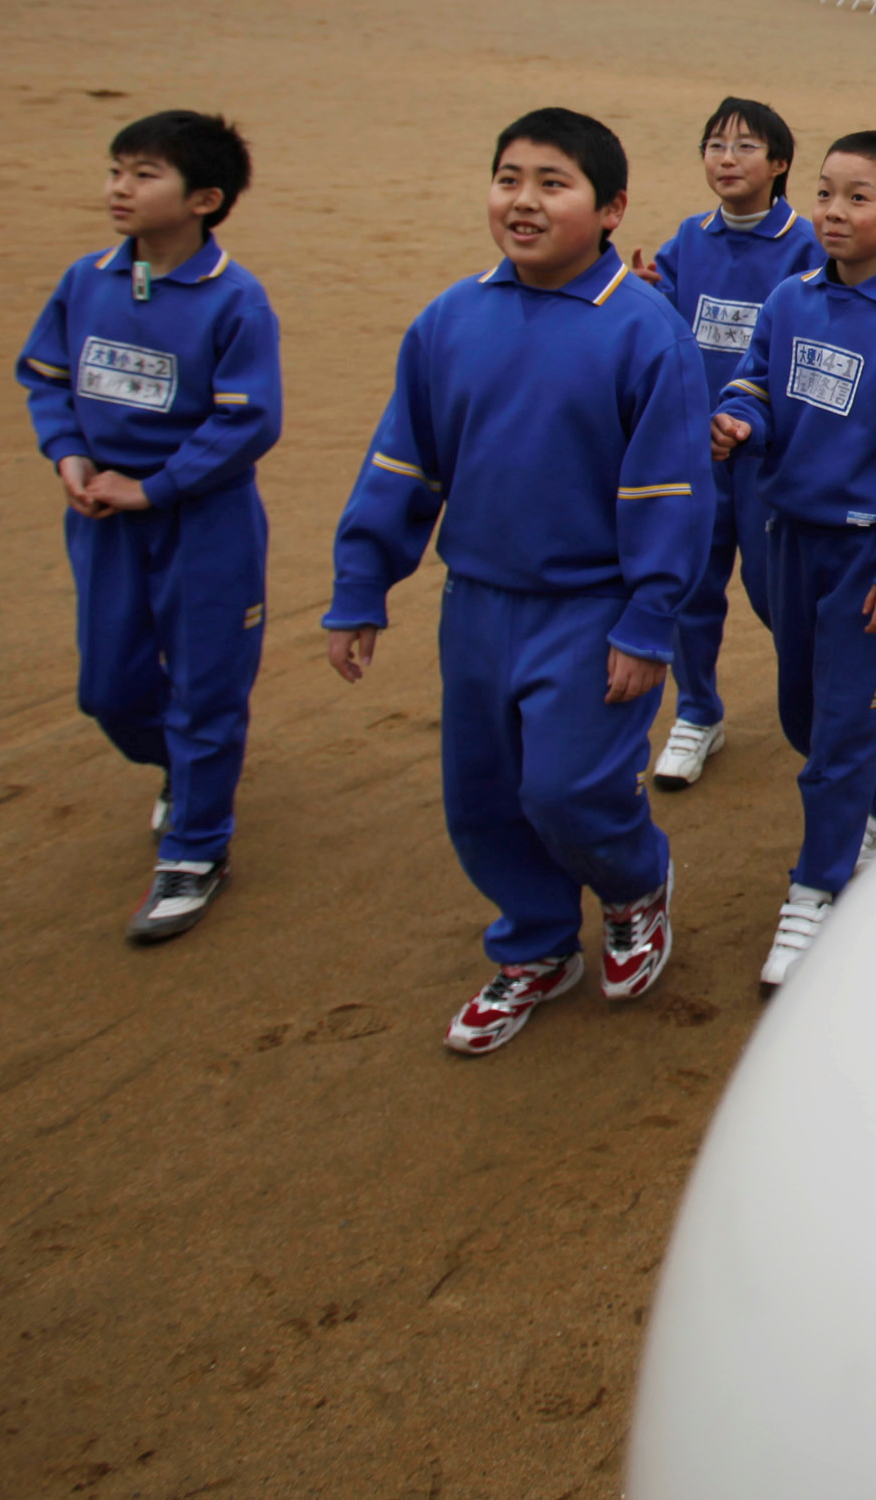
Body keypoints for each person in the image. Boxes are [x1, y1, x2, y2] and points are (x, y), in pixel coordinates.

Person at [323, 109, 713, 1055]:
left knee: (570, 790)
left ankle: (633, 888)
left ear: (611, 207)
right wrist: (362, 582)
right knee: (485, 794)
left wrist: (647, 621)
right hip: (479, 604)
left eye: (553, 182)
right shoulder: (450, 320)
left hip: (593, 611)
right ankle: (537, 944)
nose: (524, 201)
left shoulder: (645, 333)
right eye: (509, 177)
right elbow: (402, 464)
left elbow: (672, 492)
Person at [15, 109, 281, 944]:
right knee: (109, 687)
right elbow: (45, 377)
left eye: (142, 175)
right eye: (116, 170)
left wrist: (158, 486)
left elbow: (248, 421)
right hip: (101, 522)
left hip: (206, 525)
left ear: (204, 199)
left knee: (207, 687)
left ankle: (196, 848)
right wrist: (68, 457)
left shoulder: (234, 300)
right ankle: (182, 766)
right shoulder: (85, 280)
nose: (118, 189)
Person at [720, 129, 876, 988]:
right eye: (825, 192)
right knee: (802, 713)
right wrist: (740, 418)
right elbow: (752, 377)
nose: (832, 210)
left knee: (836, 739)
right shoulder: (789, 300)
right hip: (789, 541)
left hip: (868, 558)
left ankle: (819, 888)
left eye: (857, 198)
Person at [628, 97, 815, 790]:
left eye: (744, 147)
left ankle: (829, 706)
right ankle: (698, 712)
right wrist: (647, 291)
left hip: (770, 457)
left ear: (780, 163)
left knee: (777, 596)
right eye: (714, 145)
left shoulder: (806, 243)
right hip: (696, 451)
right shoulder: (689, 237)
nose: (726, 158)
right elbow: (665, 321)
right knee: (690, 587)